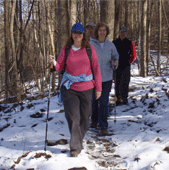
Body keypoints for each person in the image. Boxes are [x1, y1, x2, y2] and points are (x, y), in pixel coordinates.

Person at [49, 23, 102, 157]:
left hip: (87, 87)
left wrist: (99, 88)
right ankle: (75, 147)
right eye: (74, 32)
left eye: (79, 32)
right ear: (71, 34)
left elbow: (96, 69)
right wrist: (53, 62)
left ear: (83, 35)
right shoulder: (66, 49)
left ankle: (78, 140)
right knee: (73, 117)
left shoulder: (90, 49)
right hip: (70, 87)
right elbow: (59, 66)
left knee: (85, 117)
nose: (76, 35)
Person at [90, 22, 119, 135]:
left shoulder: (110, 45)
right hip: (92, 78)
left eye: (104, 30)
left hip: (106, 78)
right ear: (97, 32)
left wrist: (115, 63)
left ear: (107, 32)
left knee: (104, 102)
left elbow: (116, 58)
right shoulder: (90, 44)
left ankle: (103, 126)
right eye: (100, 30)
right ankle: (94, 119)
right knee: (94, 101)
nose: (102, 32)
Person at [113, 26, 136, 105]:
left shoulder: (130, 43)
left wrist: (128, 62)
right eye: (121, 32)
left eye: (124, 32)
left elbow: (133, 55)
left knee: (125, 82)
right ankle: (118, 99)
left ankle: (124, 98)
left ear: (126, 34)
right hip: (117, 66)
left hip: (126, 66)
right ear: (119, 33)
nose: (122, 34)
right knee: (117, 82)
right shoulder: (115, 42)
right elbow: (111, 53)